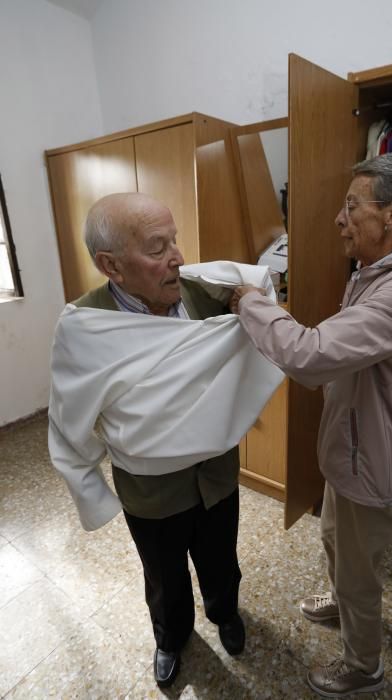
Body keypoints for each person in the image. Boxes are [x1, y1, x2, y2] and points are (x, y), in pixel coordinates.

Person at [230, 152, 392, 698]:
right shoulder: (374, 273)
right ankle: (343, 601)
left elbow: (312, 356)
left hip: (374, 455)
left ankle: (364, 667)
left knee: (360, 569)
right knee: (336, 539)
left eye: (351, 206)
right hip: (351, 447)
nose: (339, 219)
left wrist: (252, 303)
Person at [48, 193, 249, 689]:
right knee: (164, 577)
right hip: (150, 491)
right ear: (110, 265)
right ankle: (171, 636)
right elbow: (67, 420)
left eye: (175, 240)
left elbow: (257, 309)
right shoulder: (86, 326)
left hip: (216, 475)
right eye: (158, 248)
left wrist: (251, 300)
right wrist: (91, 488)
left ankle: (225, 612)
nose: (178, 257)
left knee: (222, 556)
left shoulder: (205, 294)